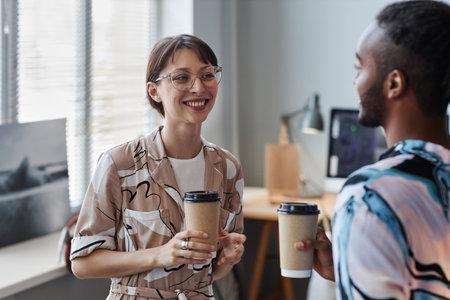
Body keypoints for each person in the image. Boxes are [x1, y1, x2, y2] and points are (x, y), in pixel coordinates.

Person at [70, 34, 246, 300]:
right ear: (154, 91)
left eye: (207, 75)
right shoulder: (119, 164)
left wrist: (225, 261)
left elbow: (206, 272)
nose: (198, 87)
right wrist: (160, 254)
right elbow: (82, 264)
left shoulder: (228, 168)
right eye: (182, 77)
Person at [296, 0, 450, 299]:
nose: (355, 79)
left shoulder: (368, 196)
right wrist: (348, 271)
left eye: (360, 66)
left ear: (394, 83)